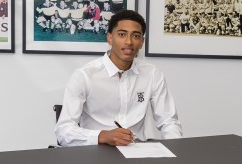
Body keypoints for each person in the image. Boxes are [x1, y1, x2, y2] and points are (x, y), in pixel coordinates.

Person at [55, 9, 183, 147]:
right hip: (95, 153)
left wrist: (174, 151)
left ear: (142, 42)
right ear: (110, 38)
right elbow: (63, 131)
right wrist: (102, 136)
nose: (128, 42)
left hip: (138, 154)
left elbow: (169, 122)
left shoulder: (152, 74)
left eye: (135, 36)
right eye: (122, 34)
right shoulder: (85, 75)